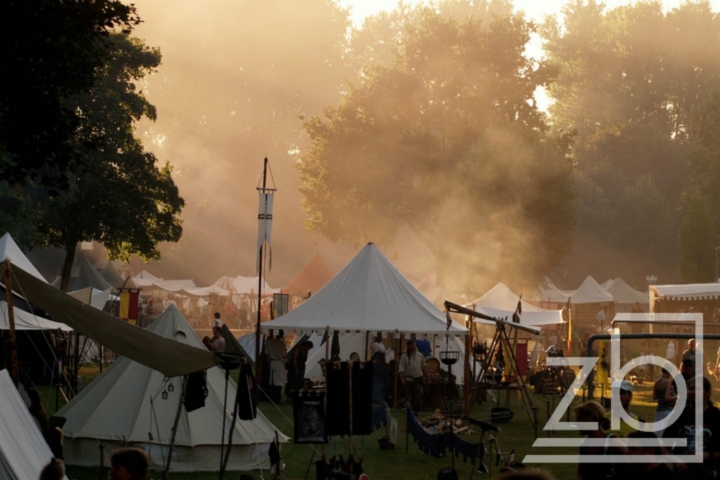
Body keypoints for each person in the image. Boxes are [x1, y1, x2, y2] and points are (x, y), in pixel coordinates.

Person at [665, 376, 720, 478]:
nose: (693, 392)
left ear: (708, 393)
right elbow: (663, 446)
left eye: (698, 389)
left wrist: (709, 456)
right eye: (691, 389)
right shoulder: (678, 415)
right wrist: (677, 461)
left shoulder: (716, 416)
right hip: (682, 474)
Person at [574, 401, 626, 480]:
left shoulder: (612, 443)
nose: (577, 423)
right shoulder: (584, 445)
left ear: (590, 418)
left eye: (579, 419)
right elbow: (580, 474)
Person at [398, 340, 428, 412]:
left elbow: (424, 366)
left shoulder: (420, 355)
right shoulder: (404, 356)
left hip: (418, 378)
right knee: (409, 397)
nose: (414, 347)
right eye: (412, 345)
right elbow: (401, 368)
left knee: (418, 397)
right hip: (409, 379)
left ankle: (416, 412)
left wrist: (428, 377)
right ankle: (409, 411)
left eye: (414, 345)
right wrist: (402, 378)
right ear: (408, 347)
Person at [653, 364, 677, 438]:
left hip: (658, 410)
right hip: (667, 410)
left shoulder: (657, 382)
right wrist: (678, 396)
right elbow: (667, 398)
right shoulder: (667, 382)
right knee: (666, 433)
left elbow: (654, 397)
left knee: (658, 432)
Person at [266, 330, 288, 403]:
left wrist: (269, 363)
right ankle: (277, 397)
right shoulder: (281, 344)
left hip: (273, 362)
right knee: (278, 381)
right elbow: (284, 355)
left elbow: (267, 354)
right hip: (279, 362)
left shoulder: (270, 342)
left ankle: (273, 396)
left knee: (273, 381)